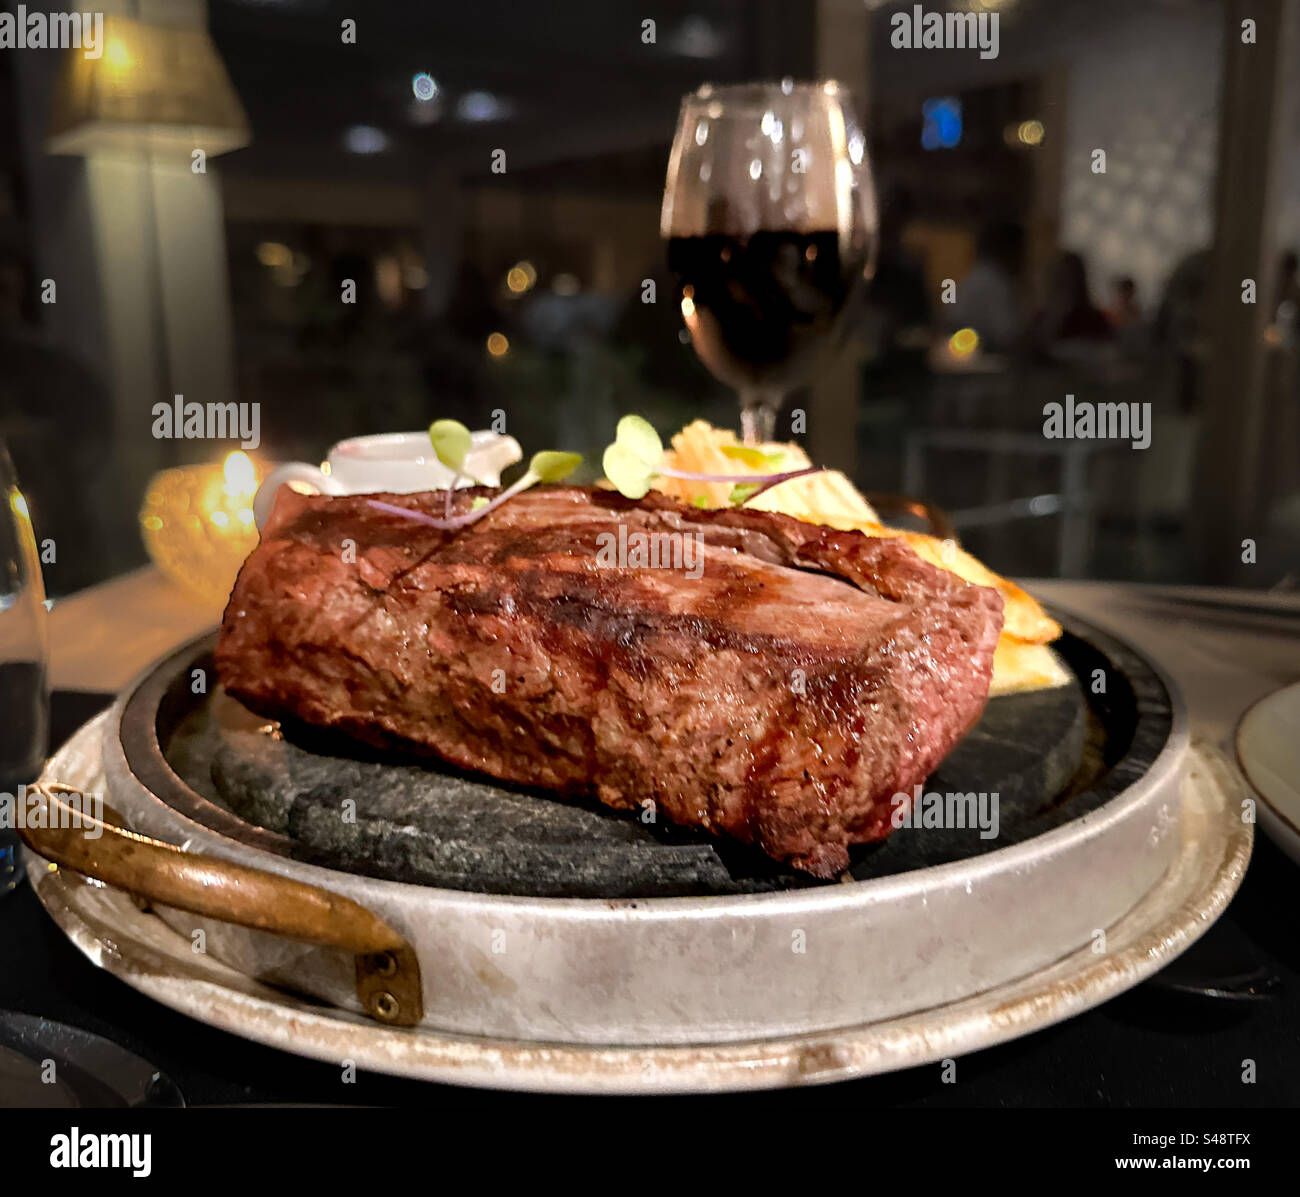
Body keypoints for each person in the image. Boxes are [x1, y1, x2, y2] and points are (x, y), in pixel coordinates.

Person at [948, 220, 1025, 353]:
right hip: (980, 364)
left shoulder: (977, 276)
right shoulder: (993, 282)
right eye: (1020, 250)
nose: (1023, 258)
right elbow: (1009, 337)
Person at [1031, 251, 1113, 345]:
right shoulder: (1041, 318)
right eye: (1061, 278)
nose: (1066, 284)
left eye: (1071, 277)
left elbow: (1107, 348)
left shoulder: (1095, 319)